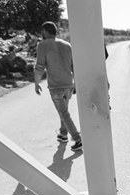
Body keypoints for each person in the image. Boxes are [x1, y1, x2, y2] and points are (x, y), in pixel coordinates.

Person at [34, 21, 82, 151]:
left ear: (44, 31)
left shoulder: (42, 45)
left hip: (56, 87)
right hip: (68, 85)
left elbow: (39, 66)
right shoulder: (67, 45)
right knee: (64, 111)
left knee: (63, 113)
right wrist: (76, 84)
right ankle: (63, 134)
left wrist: (37, 83)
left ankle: (78, 139)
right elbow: (74, 67)